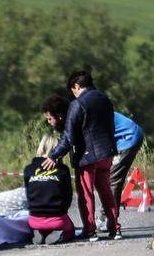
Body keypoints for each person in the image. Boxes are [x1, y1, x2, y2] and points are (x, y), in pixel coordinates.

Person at [43, 70, 121, 241]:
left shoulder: (77, 105)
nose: (74, 94)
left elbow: (69, 137)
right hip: (106, 153)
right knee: (106, 191)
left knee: (86, 194)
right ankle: (115, 228)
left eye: (73, 90)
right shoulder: (105, 99)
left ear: (76, 86)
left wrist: (54, 155)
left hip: (87, 157)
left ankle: (90, 230)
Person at [24, 134, 75, 245]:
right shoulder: (63, 170)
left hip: (34, 219)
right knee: (71, 230)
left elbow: (28, 195)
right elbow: (68, 196)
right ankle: (59, 233)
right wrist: (62, 210)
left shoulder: (28, 169)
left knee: (41, 222)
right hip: (57, 219)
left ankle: (39, 232)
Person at [97, 112, 144, 230]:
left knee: (113, 180)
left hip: (128, 138)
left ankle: (108, 219)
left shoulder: (88, 115)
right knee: (110, 178)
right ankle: (107, 217)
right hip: (124, 137)